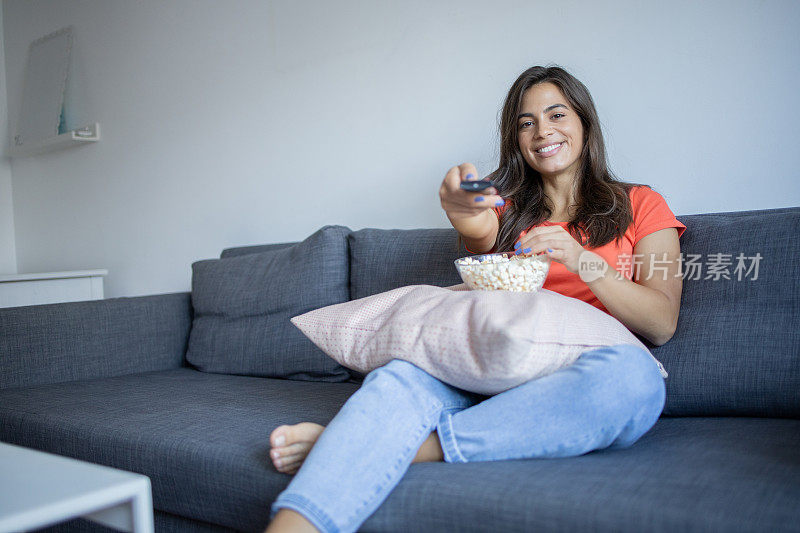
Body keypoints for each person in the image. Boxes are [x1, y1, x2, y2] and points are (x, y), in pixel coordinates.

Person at [264, 65, 686, 533]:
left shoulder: (642, 204)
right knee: (401, 376)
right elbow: (480, 232)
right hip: (486, 369)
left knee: (635, 382)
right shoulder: (506, 213)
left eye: (557, 114)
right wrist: (463, 211)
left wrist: (582, 259)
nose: (542, 131)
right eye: (526, 123)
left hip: (573, 381)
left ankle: (389, 445)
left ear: (585, 122)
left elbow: (661, 320)